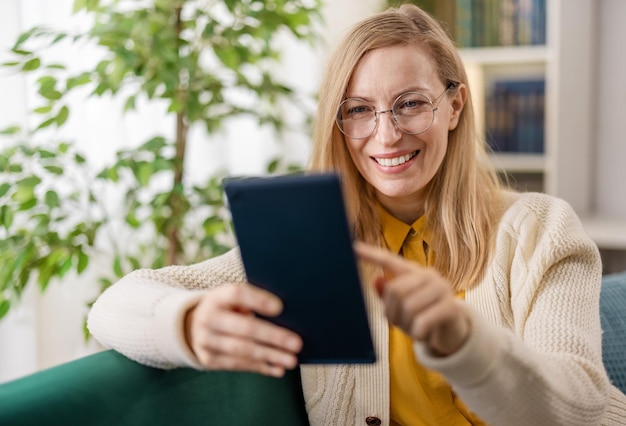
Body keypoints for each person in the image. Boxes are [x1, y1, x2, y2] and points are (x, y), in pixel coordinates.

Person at [88, 3, 626, 425]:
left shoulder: (541, 229)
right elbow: (115, 304)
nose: (386, 134)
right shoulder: (314, 240)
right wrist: (187, 322)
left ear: (455, 106)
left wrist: (463, 340)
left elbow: (578, 410)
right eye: (359, 110)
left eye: (411, 102)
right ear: (338, 122)